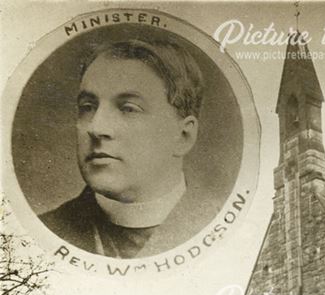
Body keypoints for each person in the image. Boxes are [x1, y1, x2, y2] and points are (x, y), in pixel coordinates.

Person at [40, 38, 204, 259]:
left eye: (128, 109)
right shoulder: (46, 233)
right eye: (87, 107)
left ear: (183, 136)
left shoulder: (221, 227)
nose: (96, 128)